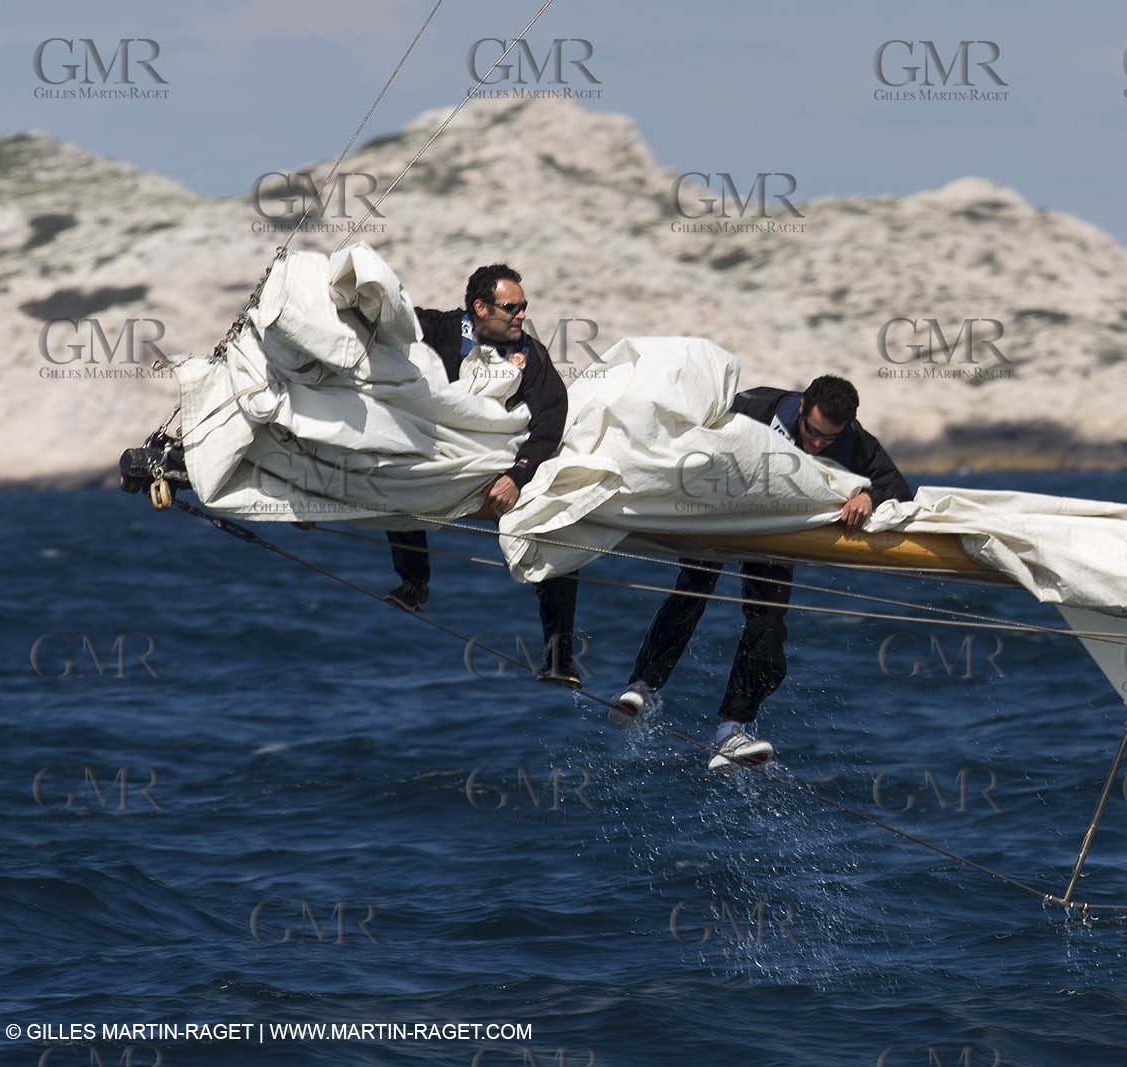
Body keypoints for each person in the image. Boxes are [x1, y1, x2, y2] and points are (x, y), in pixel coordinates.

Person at [613, 375, 913, 773]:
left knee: (768, 624)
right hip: (719, 515)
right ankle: (642, 687)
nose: (819, 443)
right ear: (803, 407)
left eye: (830, 438)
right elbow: (691, 440)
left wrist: (868, 495)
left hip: (773, 532)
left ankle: (731, 730)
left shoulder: (853, 439)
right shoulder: (755, 408)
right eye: (813, 433)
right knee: (692, 592)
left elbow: (897, 486)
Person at [386, 263, 581, 685]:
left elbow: (550, 420)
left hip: (497, 464)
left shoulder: (529, 355)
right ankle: (414, 581)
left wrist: (518, 476)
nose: (521, 316)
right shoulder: (435, 330)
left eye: (524, 307)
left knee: (557, 519)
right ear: (479, 307)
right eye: (512, 307)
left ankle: (559, 655)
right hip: (437, 450)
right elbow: (386, 316)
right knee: (394, 463)